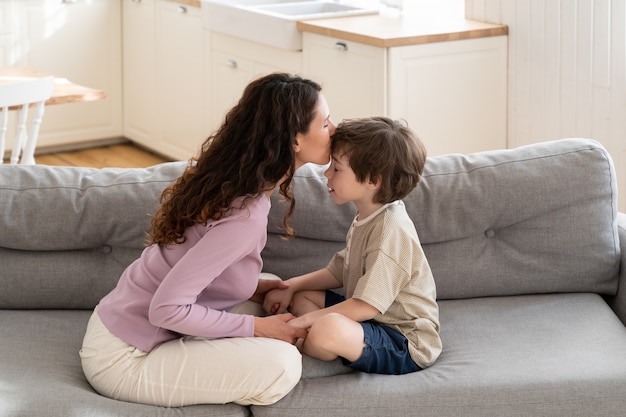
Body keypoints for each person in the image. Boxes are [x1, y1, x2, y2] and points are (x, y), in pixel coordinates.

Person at [79, 73, 336, 407]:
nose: (334, 130)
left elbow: (199, 270)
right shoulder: (244, 215)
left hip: (120, 323)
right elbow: (167, 309)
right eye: (326, 123)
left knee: (270, 288)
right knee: (282, 365)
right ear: (294, 140)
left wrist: (254, 288)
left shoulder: (239, 187)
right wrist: (259, 330)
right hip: (124, 358)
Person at [263, 116, 442, 375]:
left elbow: (366, 306)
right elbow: (339, 271)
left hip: (403, 340)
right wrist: (290, 286)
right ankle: (313, 337)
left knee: (328, 328)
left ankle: (301, 339)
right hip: (372, 320)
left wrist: (303, 321)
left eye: (336, 168)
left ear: (373, 180)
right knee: (303, 296)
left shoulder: (391, 229)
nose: (326, 173)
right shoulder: (368, 216)